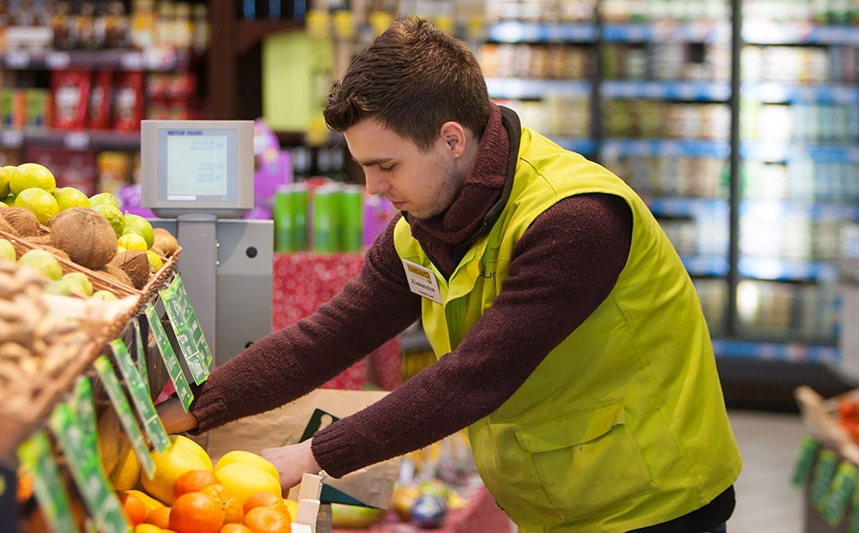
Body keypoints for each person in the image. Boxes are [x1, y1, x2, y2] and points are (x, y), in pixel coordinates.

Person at [156, 17, 741, 532]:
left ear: (453, 140)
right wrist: (194, 410)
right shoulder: (422, 226)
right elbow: (330, 336)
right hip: (554, 499)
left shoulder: (574, 219)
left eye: (386, 166)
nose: (373, 189)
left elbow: (475, 378)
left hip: (653, 501)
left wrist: (312, 456)